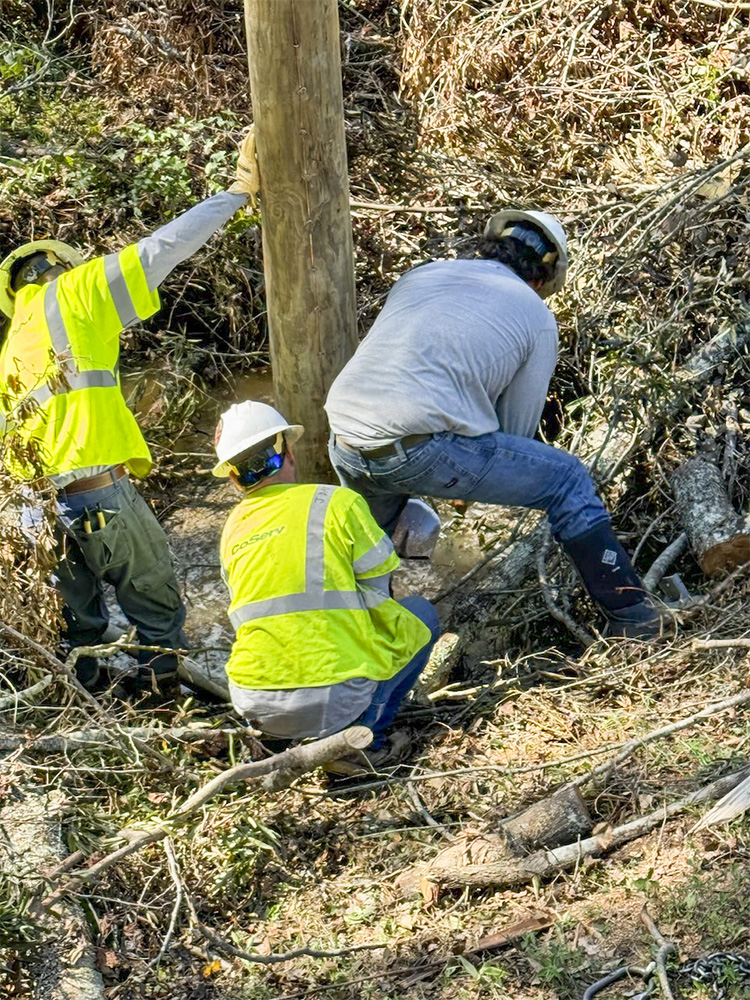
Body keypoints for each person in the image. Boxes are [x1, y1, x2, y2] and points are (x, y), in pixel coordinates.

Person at [0, 130, 261, 695]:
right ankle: (166, 699)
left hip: (32, 513)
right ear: (59, 268)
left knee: (76, 629)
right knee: (157, 607)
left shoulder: (11, 349)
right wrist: (239, 192)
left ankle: (86, 708)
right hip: (98, 490)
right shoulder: (73, 294)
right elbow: (162, 249)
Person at [325, 209, 659, 638]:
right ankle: (635, 618)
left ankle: (360, 647)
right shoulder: (535, 314)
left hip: (346, 433)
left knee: (369, 550)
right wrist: (469, 487)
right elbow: (514, 434)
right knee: (568, 481)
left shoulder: (421, 275)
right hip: (419, 448)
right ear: (542, 279)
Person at [213, 399, 440, 767]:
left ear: (234, 478)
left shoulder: (231, 528)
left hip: (254, 704)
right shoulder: (337, 501)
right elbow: (381, 576)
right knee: (420, 614)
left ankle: (280, 738)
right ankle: (363, 740)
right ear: (288, 454)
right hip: (332, 700)